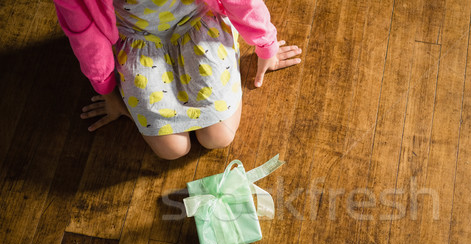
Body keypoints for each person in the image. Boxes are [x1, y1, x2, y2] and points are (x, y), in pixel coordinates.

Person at [54, 0, 302, 159]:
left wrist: (266, 44)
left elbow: (241, 2)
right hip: (136, 40)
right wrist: (109, 93)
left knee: (218, 137)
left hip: (197, 23)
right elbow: (87, 40)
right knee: (172, 150)